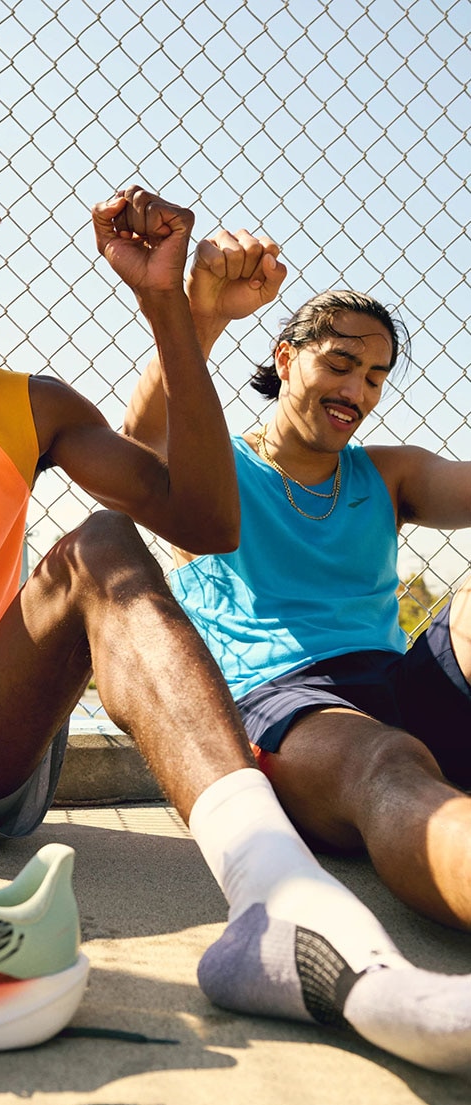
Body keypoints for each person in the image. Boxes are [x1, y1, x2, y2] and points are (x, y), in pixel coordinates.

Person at [0, 160, 470, 1081]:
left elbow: (204, 522)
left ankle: (279, 903)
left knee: (103, 543)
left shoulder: (21, 406)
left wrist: (171, 309)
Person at [124, 224, 471, 941]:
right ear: (286, 359)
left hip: (401, 683)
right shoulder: (214, 464)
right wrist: (203, 313)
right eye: (340, 364)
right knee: (390, 764)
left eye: (374, 377)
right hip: (288, 703)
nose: (357, 390)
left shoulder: (388, 472)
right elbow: (139, 446)